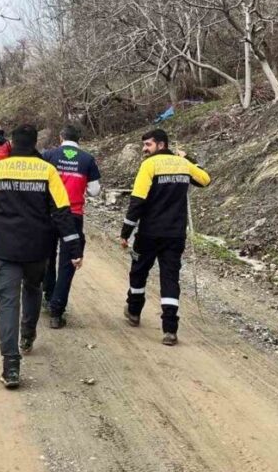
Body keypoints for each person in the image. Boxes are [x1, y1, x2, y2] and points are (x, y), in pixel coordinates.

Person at [0, 124, 83, 388]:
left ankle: (11, 367)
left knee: (7, 303)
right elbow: (63, 213)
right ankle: (28, 335)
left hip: (6, 249)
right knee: (32, 288)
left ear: (12, 143)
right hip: (37, 248)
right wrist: (74, 250)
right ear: (35, 144)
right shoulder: (48, 170)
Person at [119, 129, 210, 345]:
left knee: (139, 271)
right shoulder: (183, 165)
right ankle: (170, 329)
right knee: (170, 278)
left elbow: (137, 201)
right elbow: (205, 180)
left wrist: (125, 232)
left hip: (149, 233)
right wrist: (186, 158)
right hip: (175, 234)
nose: (144, 149)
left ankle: (133, 311)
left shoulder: (149, 165)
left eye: (148, 145)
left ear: (161, 145)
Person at [42, 125, 101, 328]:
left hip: (49, 214)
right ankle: (57, 313)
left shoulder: (49, 155)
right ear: (79, 140)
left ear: (61, 137)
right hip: (73, 216)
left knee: (47, 257)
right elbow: (94, 191)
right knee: (67, 264)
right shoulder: (87, 159)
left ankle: (48, 296)